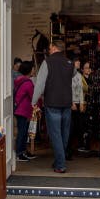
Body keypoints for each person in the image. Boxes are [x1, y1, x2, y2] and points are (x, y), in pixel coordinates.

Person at [32, 39, 75, 173]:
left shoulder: (47, 62)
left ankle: (61, 164)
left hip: (52, 103)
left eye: (50, 48)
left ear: (55, 48)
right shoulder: (70, 63)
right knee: (64, 133)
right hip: (67, 103)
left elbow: (40, 84)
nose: (49, 50)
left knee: (55, 134)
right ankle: (58, 161)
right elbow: (73, 74)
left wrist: (33, 101)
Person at [14, 61, 36, 162]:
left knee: (23, 132)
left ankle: (23, 151)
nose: (34, 70)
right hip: (22, 111)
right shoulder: (28, 83)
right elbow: (34, 97)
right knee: (22, 133)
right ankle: (19, 153)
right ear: (29, 70)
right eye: (33, 68)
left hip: (21, 111)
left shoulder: (21, 80)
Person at [66, 57, 86, 160]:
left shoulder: (79, 75)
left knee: (78, 127)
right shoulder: (68, 75)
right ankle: (67, 151)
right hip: (71, 104)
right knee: (70, 128)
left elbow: (81, 90)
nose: (79, 64)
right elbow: (67, 89)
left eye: (79, 62)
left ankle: (74, 149)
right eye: (77, 62)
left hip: (78, 104)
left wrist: (82, 103)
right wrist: (71, 102)